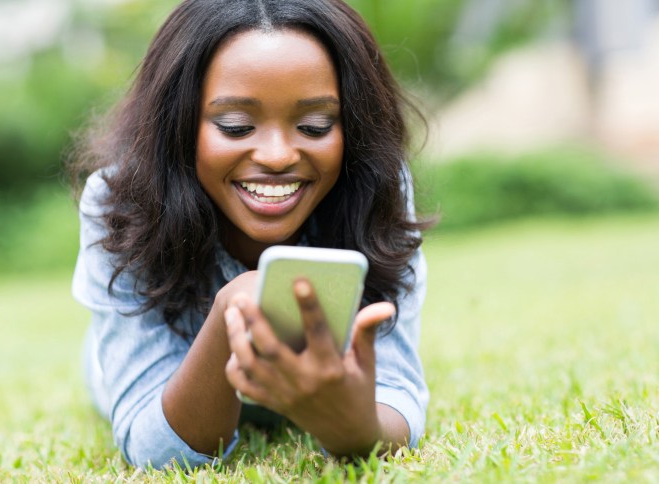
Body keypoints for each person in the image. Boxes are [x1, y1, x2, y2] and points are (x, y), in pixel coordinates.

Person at [69, 0, 430, 470]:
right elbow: (154, 449)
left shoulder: (374, 186)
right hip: (131, 368)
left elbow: (398, 397)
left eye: (314, 125)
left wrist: (355, 428)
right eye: (236, 126)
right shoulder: (119, 203)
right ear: (177, 125)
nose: (278, 155)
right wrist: (232, 306)